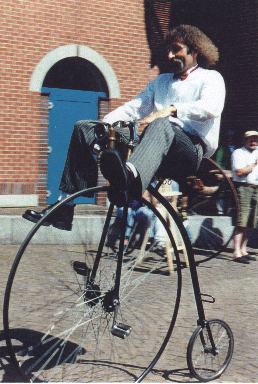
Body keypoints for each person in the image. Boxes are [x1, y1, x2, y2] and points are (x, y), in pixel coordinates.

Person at [23, 25, 226, 231]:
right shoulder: (161, 82)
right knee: (85, 128)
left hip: (188, 151)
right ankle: (65, 207)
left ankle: (129, 180)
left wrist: (172, 109)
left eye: (177, 49)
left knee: (161, 124)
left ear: (195, 50)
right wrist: (105, 126)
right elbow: (133, 108)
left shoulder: (211, 78)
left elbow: (211, 107)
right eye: (168, 50)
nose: (169, 55)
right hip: (153, 146)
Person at [231, 131, 258, 264]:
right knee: (241, 221)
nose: (254, 143)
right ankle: (236, 252)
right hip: (243, 188)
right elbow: (239, 172)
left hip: (255, 188)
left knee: (250, 221)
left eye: (256, 140)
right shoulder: (238, 153)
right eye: (251, 140)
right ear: (244, 140)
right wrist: (254, 164)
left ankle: (243, 250)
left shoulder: (257, 152)